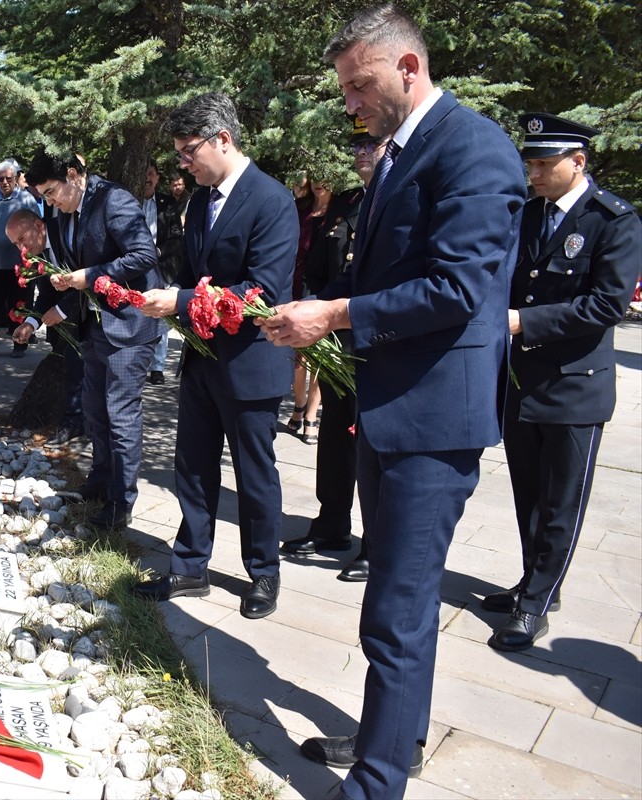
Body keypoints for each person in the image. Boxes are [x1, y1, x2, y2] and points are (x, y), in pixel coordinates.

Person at [257, 6, 527, 797]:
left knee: (396, 611)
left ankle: (375, 784)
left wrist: (335, 315)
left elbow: (456, 288)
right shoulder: (404, 151)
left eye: (359, 84)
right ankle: (394, 739)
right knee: (396, 603)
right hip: (390, 408)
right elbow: (380, 275)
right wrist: (307, 308)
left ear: (409, 67)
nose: (350, 103)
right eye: (344, 89)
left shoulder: (473, 147)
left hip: (432, 418)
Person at [132, 92, 297, 621]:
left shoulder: (271, 200)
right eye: (179, 154)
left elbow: (261, 292)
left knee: (254, 475)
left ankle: (263, 572)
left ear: (223, 139)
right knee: (194, 466)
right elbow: (194, 271)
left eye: (189, 152)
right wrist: (168, 296)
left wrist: (180, 301)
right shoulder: (201, 200)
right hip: (203, 358)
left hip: (251, 363)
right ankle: (190, 565)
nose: (183, 164)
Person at [482, 113, 640, 652]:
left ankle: (536, 604)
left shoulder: (613, 220)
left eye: (544, 163)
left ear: (578, 161)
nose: (533, 173)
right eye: (530, 163)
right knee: (528, 495)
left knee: (560, 503)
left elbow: (607, 304)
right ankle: (533, 581)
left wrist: (524, 322)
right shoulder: (530, 214)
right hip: (523, 381)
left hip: (575, 386)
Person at [25, 150, 161, 529]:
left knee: (120, 415)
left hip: (129, 325)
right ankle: (99, 484)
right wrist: (66, 281)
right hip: (94, 324)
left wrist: (90, 276)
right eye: (44, 197)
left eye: (52, 193)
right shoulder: (62, 210)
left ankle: (121, 503)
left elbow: (144, 255)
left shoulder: (113, 200)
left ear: (73, 175)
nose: (50, 203)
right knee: (96, 411)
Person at [281, 116, 387, 582]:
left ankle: (377, 544)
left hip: (378, 342)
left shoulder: (399, 200)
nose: (361, 153)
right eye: (357, 147)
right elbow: (324, 271)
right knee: (335, 438)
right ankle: (331, 525)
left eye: (371, 145)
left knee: (372, 445)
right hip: (338, 341)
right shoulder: (347, 203)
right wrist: (311, 310)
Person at [8, 208, 85, 443]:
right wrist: (30, 323)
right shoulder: (39, 251)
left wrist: (61, 310)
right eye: (15, 244)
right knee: (72, 364)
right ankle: (75, 423)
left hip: (96, 313)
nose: (21, 249)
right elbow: (46, 293)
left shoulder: (67, 235)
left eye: (22, 239)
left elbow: (87, 280)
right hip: (73, 316)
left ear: (39, 226)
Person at [287, 175, 333, 444]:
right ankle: (299, 403)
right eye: (315, 176)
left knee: (318, 356)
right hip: (297, 285)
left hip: (325, 289)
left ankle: (312, 415)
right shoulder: (300, 208)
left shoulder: (340, 209)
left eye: (325, 176)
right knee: (297, 356)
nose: (319, 182)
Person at [0, 160, 38, 357]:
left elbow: (37, 229)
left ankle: (19, 344)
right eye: (1, 179)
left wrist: (32, 260)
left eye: (8, 179)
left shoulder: (26, 199)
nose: (4, 182)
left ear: (15, 178)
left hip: (19, 265)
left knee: (19, 306)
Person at [137, 159, 184, 385]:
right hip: (135, 268)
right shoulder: (130, 200)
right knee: (138, 314)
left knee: (161, 316)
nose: (147, 178)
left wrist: (158, 251)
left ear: (157, 178)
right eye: (144, 173)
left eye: (151, 174)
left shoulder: (167, 203)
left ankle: (157, 367)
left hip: (161, 266)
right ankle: (139, 362)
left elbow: (176, 236)